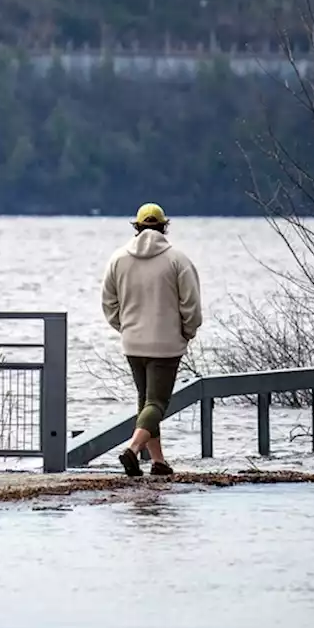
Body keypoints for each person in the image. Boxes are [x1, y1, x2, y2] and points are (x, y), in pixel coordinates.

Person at [101, 202, 202, 477]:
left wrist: (123, 327)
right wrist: (187, 332)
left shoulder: (118, 259)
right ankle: (133, 450)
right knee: (157, 403)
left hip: (132, 342)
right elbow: (191, 304)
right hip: (166, 344)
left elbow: (108, 302)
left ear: (137, 227)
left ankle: (158, 462)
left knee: (146, 401)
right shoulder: (178, 260)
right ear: (164, 227)